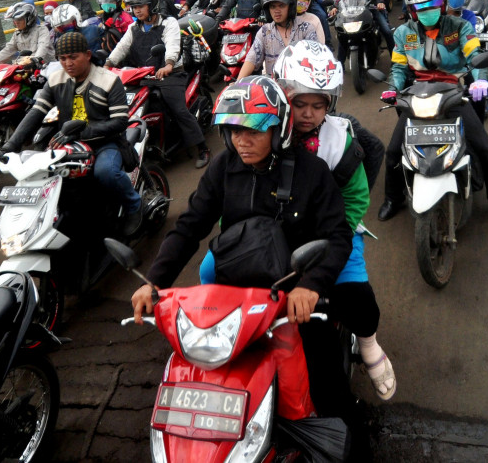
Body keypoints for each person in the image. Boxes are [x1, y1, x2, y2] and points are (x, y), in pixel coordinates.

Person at [129, 75, 354, 412]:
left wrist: (310, 286)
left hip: (294, 292)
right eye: (235, 131)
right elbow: (190, 226)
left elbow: (338, 237)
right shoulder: (223, 167)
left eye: (253, 131)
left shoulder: (313, 171)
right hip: (235, 289)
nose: (242, 141)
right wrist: (154, 281)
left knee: (326, 376)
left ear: (278, 130)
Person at [271, 41, 395, 400]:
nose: (308, 114)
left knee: (357, 294)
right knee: (211, 272)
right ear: (283, 96)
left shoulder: (340, 139)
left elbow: (356, 198)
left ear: (330, 104)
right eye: (299, 104)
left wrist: (336, 232)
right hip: (273, 226)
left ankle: (369, 344)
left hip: (334, 229)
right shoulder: (263, 129)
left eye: (318, 105)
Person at [378, 0, 488, 226]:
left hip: (453, 93)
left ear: (443, 4)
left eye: (432, 6)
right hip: (417, 95)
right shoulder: (403, 33)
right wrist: (393, 89)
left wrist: (479, 80)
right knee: (393, 151)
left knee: (486, 150)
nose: (427, 12)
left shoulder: (460, 27)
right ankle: (393, 198)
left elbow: (474, 56)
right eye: (421, 8)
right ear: (412, 10)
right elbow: (399, 67)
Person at [0, 31, 144, 235]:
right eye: (62, 58)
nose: (68, 63)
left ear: (87, 54)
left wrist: (82, 132)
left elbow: (120, 122)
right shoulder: (55, 79)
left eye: (73, 57)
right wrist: (10, 146)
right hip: (69, 144)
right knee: (45, 178)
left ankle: (134, 205)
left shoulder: (109, 80)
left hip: (106, 142)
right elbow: (36, 112)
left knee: (106, 173)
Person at [107, 0, 211, 168]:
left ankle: (202, 148)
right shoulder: (133, 28)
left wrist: (169, 64)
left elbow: (172, 44)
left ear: (152, 6)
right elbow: (121, 48)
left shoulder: (168, 22)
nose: (137, 10)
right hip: (143, 76)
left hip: (170, 74)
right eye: (134, 7)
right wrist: (107, 65)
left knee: (178, 109)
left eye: (141, 6)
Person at [240, 0, 324, 78]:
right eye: (273, 7)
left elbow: (317, 58)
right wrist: (238, 83)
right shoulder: (264, 32)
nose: (277, 10)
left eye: (281, 5)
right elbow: (252, 59)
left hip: (301, 86)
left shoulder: (306, 28)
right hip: (273, 87)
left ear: (291, 8)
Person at [0, 2, 55, 66]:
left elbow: (43, 46)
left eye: (19, 19)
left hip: (46, 67)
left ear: (29, 18)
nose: (16, 23)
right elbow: (8, 49)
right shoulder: (17, 34)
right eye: (14, 20)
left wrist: (36, 59)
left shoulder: (42, 30)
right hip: (27, 68)